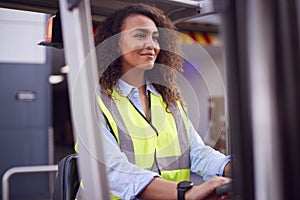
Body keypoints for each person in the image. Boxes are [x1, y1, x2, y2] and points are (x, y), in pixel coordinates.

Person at [95, 3, 231, 200]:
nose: (151, 45)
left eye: (155, 37)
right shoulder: (96, 100)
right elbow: (112, 171)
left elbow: (196, 152)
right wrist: (186, 193)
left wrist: (229, 167)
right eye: (140, 36)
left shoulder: (169, 100)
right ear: (115, 43)